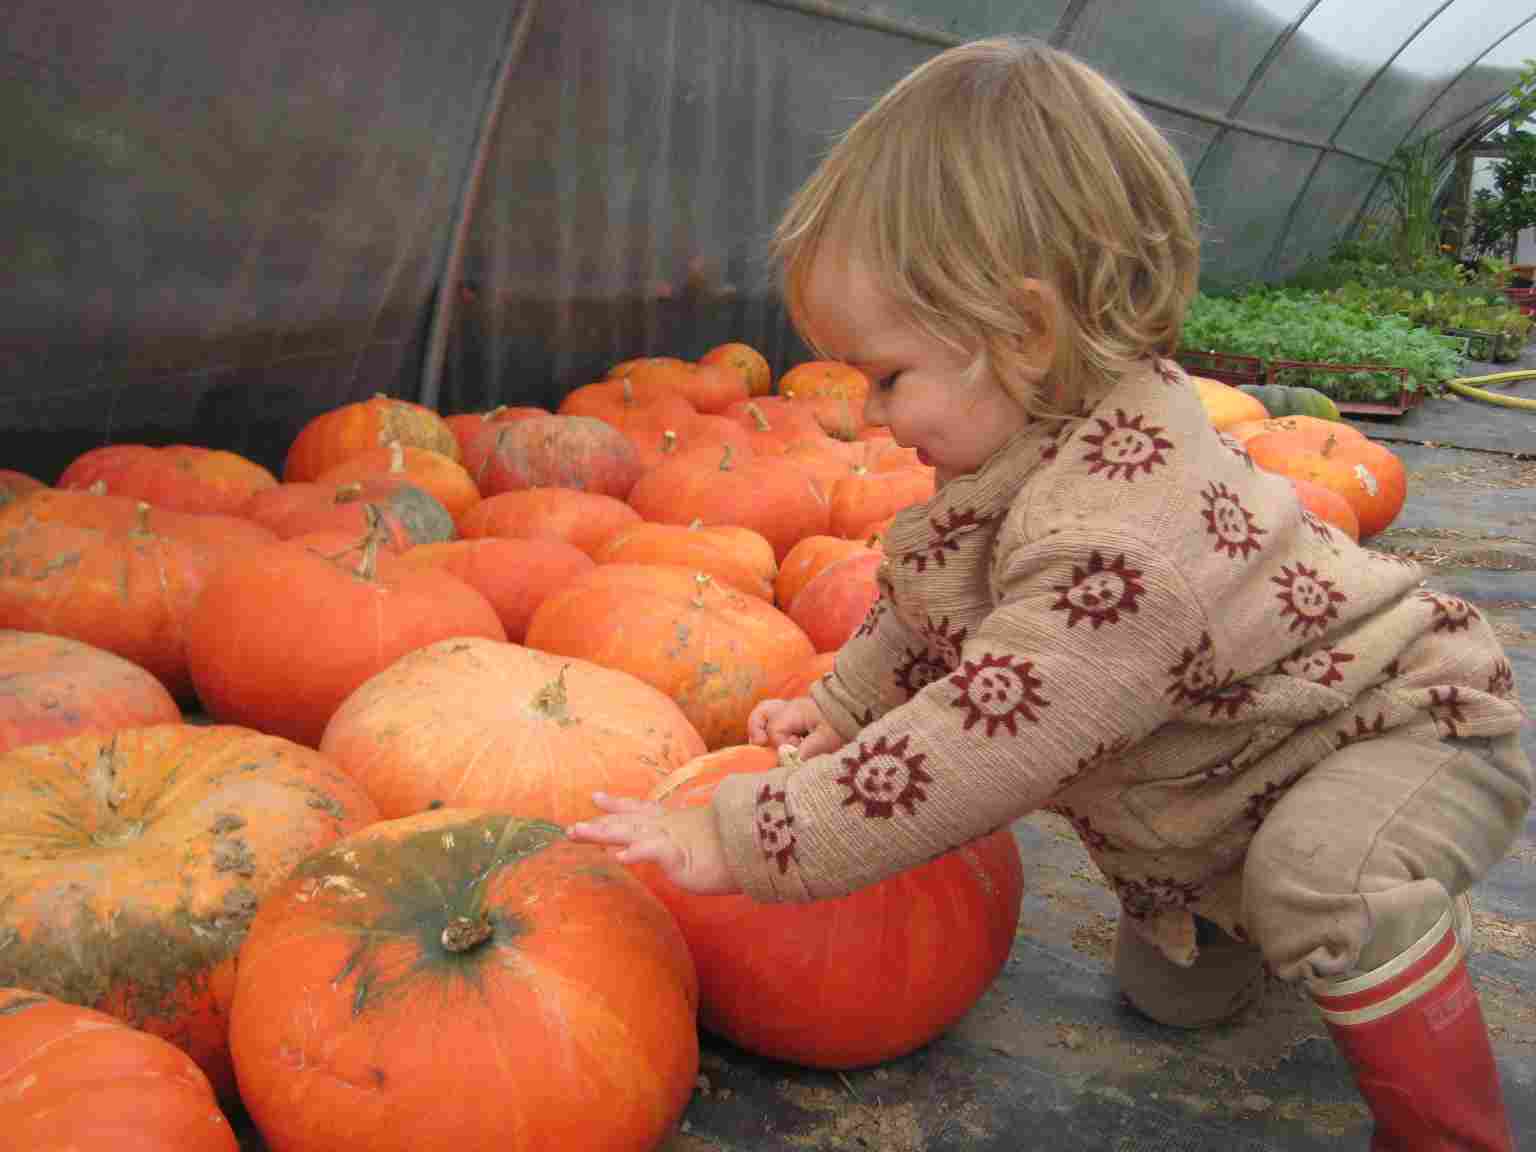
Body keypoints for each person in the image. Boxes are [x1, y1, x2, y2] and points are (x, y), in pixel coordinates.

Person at [570, 36, 1530, 1151]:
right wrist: (839, 710)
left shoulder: (1119, 542)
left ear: (1023, 331)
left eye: (891, 375)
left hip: (1395, 725)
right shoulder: (1028, 434)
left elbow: (974, 754)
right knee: (1176, 996)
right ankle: (1319, 916)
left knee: (1322, 885)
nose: (874, 414)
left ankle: (1448, 1116)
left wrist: (745, 838)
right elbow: (931, 591)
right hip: (1227, 773)